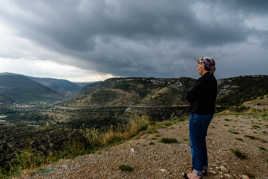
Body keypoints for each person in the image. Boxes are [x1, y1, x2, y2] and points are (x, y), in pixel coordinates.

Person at [184, 57, 217, 179]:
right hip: (208, 114)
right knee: (201, 141)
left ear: (204, 66)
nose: (197, 67)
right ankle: (203, 167)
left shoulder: (202, 81)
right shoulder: (213, 80)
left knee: (195, 143)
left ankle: (196, 172)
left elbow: (189, 96)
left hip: (198, 114)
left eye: (198, 65)